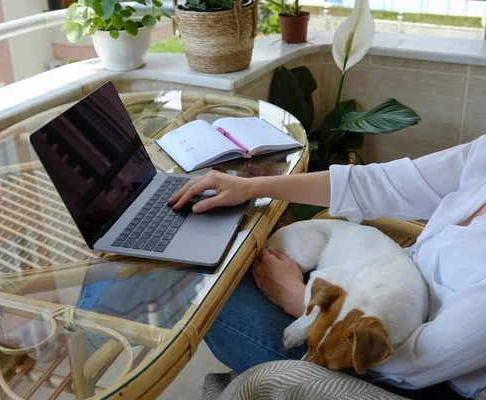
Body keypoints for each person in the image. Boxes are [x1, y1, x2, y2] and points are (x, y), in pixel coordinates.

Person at [167, 135, 486, 400]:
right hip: (375, 300)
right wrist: (252, 186)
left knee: (205, 287)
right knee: (221, 258)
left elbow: (416, 364)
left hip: (406, 375)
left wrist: (298, 299)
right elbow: (378, 184)